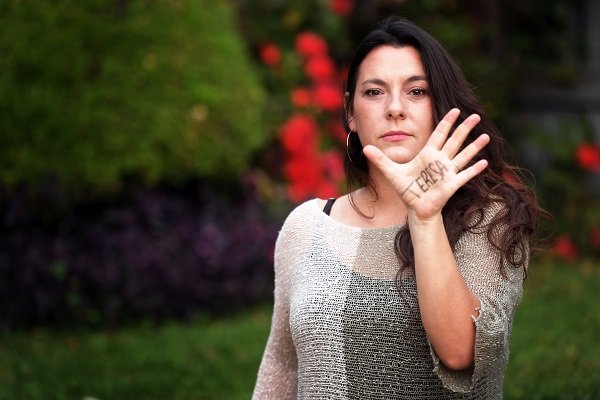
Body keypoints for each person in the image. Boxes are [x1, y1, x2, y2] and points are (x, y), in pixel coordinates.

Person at [252, 16, 545, 399]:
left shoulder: (490, 219)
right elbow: (282, 364)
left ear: (441, 105)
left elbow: (462, 353)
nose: (395, 108)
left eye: (417, 91)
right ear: (350, 113)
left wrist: (424, 218)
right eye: (374, 92)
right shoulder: (305, 226)